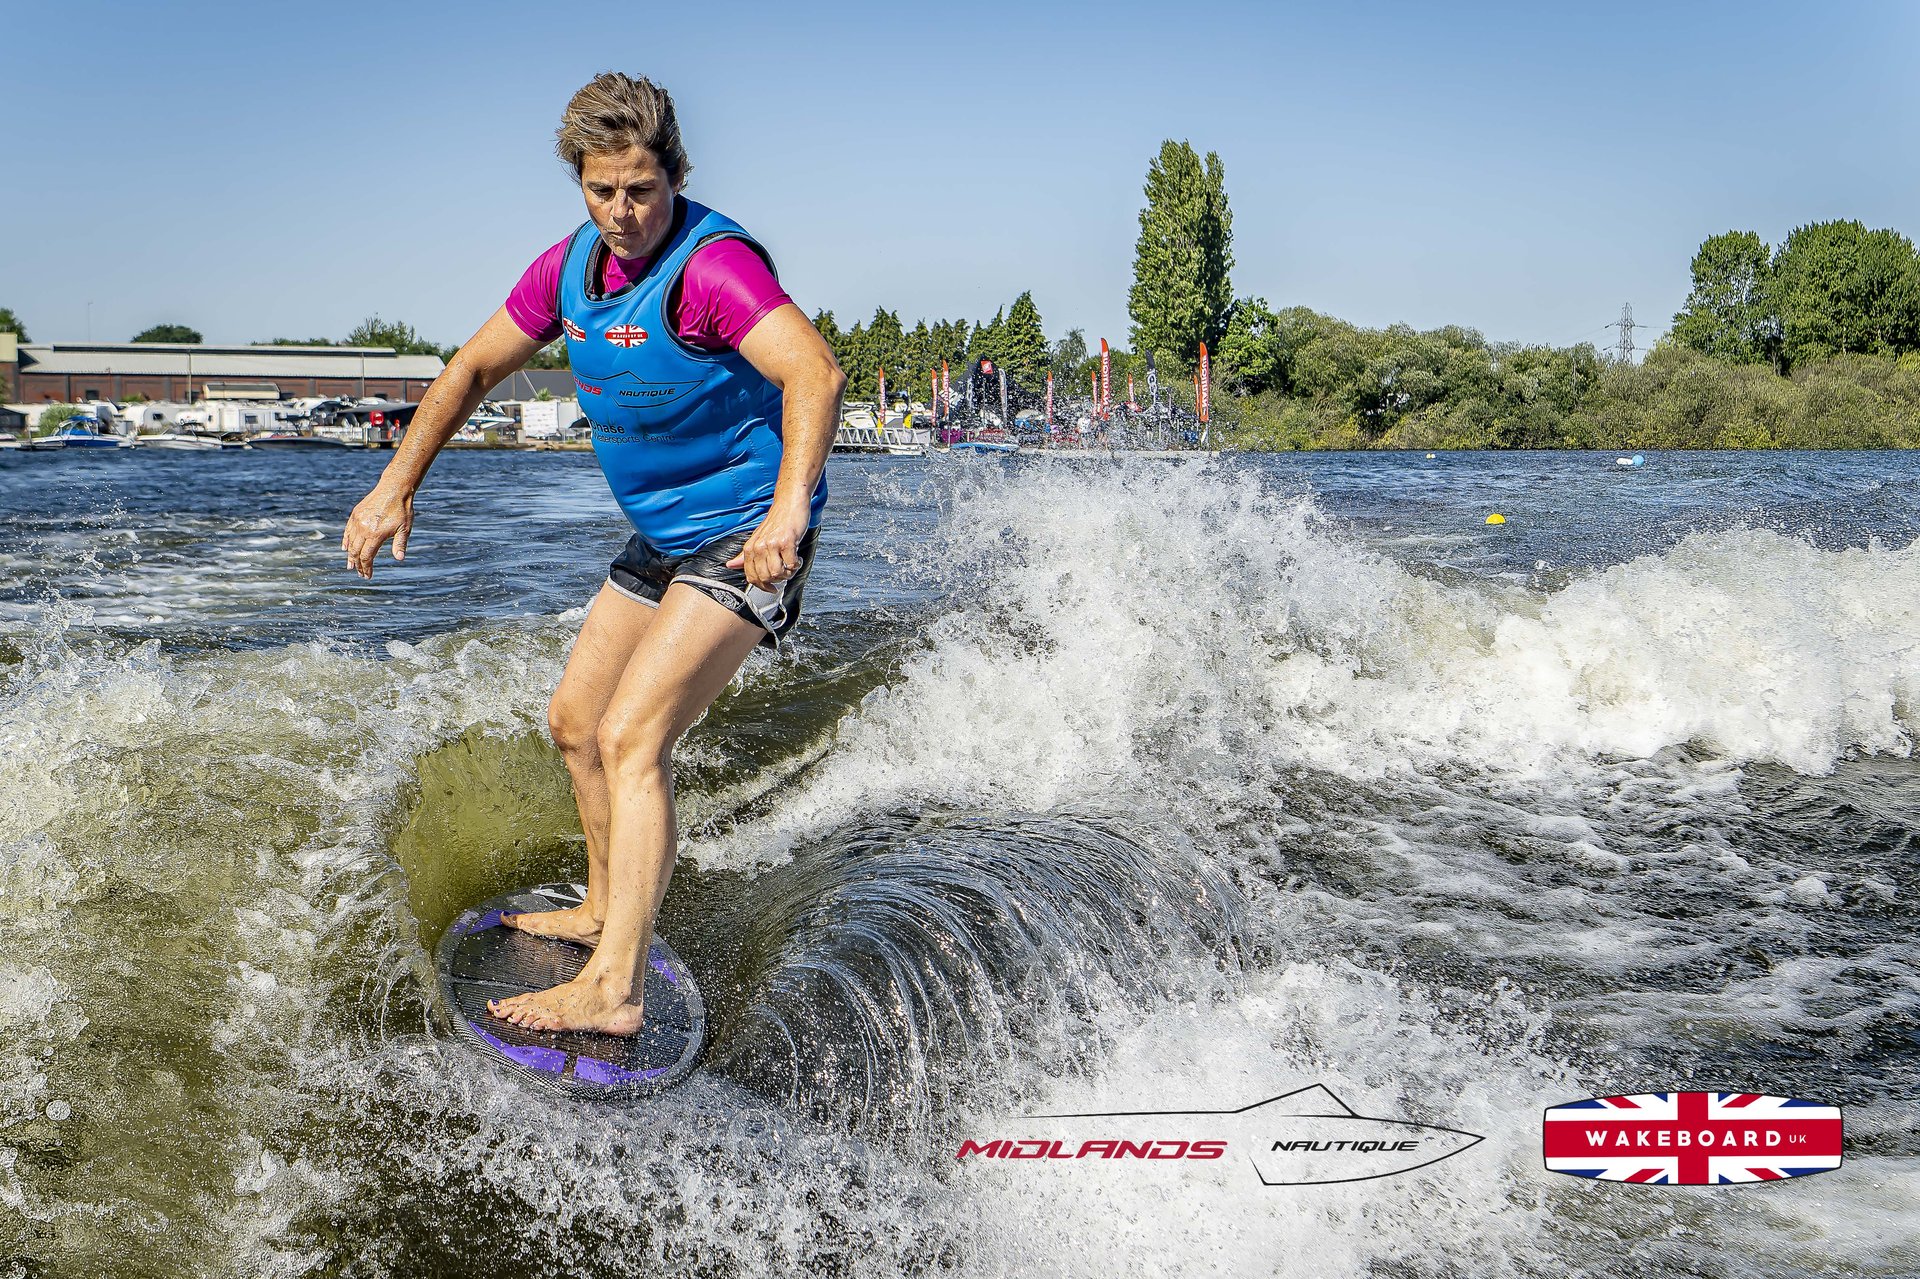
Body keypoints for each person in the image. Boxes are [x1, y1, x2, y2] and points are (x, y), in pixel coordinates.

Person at [342, 72, 842, 1036]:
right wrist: (396, 482)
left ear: (674, 176)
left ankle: (616, 988)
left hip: (746, 529)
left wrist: (787, 514)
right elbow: (474, 366)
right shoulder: (565, 270)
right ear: (579, 180)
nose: (622, 212)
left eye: (642, 189)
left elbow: (812, 369)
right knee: (575, 721)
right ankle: (607, 912)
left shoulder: (712, 270)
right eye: (602, 189)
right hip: (665, 533)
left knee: (632, 736)